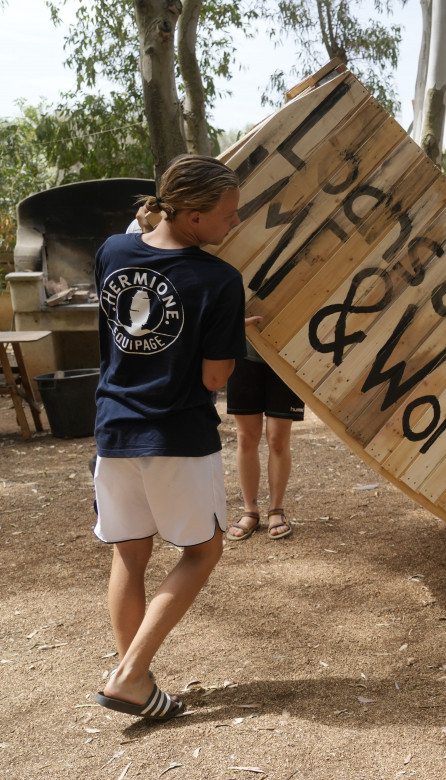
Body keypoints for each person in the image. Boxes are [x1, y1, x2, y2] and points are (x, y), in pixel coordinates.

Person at [91, 155, 246, 721]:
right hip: (178, 432)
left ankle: (136, 677)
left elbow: (132, 313)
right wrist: (229, 333)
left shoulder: (111, 251)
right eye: (228, 215)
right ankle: (130, 676)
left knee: (130, 553)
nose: (235, 223)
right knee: (203, 550)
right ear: (195, 217)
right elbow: (214, 377)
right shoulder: (220, 280)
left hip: (115, 428)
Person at [224, 346, 304, 541]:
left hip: (288, 353)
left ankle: (276, 510)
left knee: (278, 440)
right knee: (246, 438)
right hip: (242, 353)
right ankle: (250, 510)